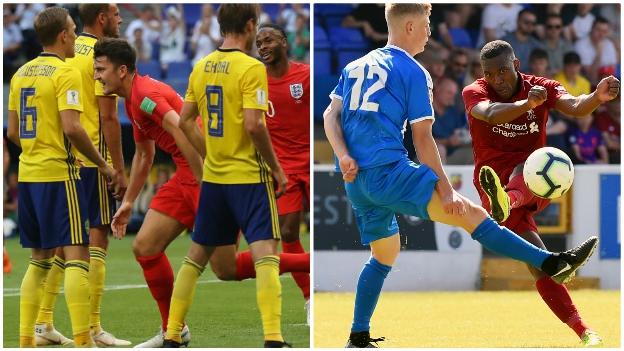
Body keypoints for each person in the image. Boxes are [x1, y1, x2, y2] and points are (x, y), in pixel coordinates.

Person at [323, 4, 599, 348]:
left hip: (354, 181)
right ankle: (551, 261)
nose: (429, 30)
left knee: (385, 253)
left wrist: (343, 155)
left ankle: (358, 335)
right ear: (409, 26)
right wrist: (445, 189)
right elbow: (423, 140)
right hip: (388, 171)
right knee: (471, 215)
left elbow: (329, 116)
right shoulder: (414, 71)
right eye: (425, 23)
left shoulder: (354, 65)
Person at [462, 39, 619, 346]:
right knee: (542, 265)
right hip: (491, 181)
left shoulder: (541, 86)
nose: (497, 80)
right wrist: (526, 105)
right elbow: (490, 113)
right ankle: (583, 330)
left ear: (516, 66)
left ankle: (508, 201)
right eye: (490, 74)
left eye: (503, 72)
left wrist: (597, 97)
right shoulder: (474, 91)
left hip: (534, 178)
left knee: (529, 165)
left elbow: (574, 105)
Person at [166, 4, 290, 347]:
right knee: (266, 254)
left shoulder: (201, 66)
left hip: (216, 180)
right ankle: (273, 338)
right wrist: (277, 169)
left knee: (196, 257)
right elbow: (254, 124)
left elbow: (184, 120)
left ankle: (173, 334)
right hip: (250, 177)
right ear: (250, 25)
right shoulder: (251, 68)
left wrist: (210, 153)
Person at [6, 6, 117, 347]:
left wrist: (38, 146)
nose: (74, 34)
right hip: (60, 173)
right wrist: (103, 163)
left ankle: (26, 340)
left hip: (28, 173)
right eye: (71, 29)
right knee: (77, 254)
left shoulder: (21, 73)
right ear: (63, 35)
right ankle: (84, 340)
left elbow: (12, 132)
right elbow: (73, 128)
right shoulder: (64, 72)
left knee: (38, 258)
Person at [254, 22, 311, 323]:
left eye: (268, 41)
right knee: (288, 231)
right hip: (283, 165)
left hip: (311, 160)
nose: (262, 47)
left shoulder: (306, 75)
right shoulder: (256, 82)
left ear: (284, 43)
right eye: (258, 43)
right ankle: (309, 297)